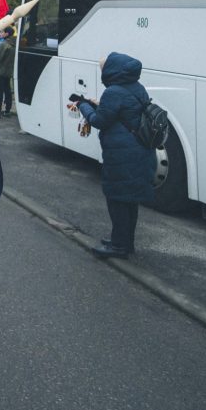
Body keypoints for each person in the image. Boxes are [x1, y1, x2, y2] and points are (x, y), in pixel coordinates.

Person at [74, 52, 157, 259]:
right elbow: (120, 113)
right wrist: (98, 104)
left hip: (122, 155)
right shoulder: (137, 87)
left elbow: (100, 121)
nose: (102, 72)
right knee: (129, 201)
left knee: (117, 199)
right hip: (139, 151)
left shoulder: (113, 92)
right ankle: (125, 242)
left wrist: (83, 105)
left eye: (103, 69)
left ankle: (118, 247)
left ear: (112, 70)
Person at [0, 26, 14, 116]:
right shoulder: (13, 44)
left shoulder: (3, 44)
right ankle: (8, 110)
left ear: (6, 34)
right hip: (9, 71)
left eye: (3, 32)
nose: (1, 33)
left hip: (1, 71)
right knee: (7, 90)